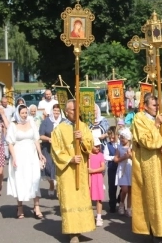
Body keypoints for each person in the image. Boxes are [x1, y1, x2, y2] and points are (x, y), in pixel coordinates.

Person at [132, 93, 162, 242]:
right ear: (145, 106)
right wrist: (156, 125)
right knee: (152, 197)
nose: (157, 108)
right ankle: (154, 230)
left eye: (158, 105)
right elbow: (145, 141)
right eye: (153, 105)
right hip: (148, 163)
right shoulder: (139, 119)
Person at [51, 99, 95, 243]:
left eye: (77, 110)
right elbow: (56, 150)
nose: (76, 113)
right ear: (66, 111)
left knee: (80, 200)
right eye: (72, 110)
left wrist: (82, 139)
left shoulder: (83, 126)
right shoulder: (59, 129)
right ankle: (72, 233)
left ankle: (80, 228)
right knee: (70, 201)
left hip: (80, 170)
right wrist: (70, 159)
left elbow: (91, 145)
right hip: (67, 173)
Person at [6, 105, 46, 219]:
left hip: (31, 156)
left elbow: (36, 139)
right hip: (19, 155)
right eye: (22, 113)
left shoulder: (31, 122)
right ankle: (20, 207)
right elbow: (10, 143)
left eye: (25, 113)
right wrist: (14, 158)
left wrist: (40, 154)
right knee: (20, 179)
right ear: (18, 113)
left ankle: (36, 207)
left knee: (35, 179)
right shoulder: (13, 125)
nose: (24, 115)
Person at [39, 104, 63, 197]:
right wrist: (49, 139)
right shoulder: (46, 121)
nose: (56, 112)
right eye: (55, 110)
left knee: (59, 168)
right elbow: (40, 135)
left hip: (60, 149)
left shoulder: (64, 121)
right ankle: (51, 184)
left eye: (58, 111)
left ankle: (59, 188)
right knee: (48, 167)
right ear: (52, 111)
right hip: (48, 148)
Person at [114, 127, 132, 217]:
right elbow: (115, 159)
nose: (121, 139)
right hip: (122, 170)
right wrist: (124, 157)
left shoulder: (132, 147)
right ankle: (121, 203)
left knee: (131, 190)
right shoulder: (119, 147)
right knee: (124, 189)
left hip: (130, 169)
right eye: (120, 137)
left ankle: (129, 208)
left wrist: (130, 155)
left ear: (128, 138)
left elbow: (135, 158)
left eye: (123, 138)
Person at [88, 137, 105, 227]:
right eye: (96, 146)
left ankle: (99, 217)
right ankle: (88, 216)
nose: (98, 148)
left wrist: (92, 171)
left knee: (99, 198)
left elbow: (103, 167)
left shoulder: (101, 155)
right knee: (88, 198)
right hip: (89, 179)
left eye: (99, 146)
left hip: (98, 178)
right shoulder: (88, 156)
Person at [103, 126, 119, 213]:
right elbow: (105, 156)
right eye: (110, 137)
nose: (111, 139)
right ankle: (112, 205)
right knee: (112, 187)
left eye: (113, 137)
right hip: (112, 168)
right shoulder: (108, 145)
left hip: (121, 168)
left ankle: (120, 199)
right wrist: (114, 158)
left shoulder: (120, 143)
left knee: (124, 186)